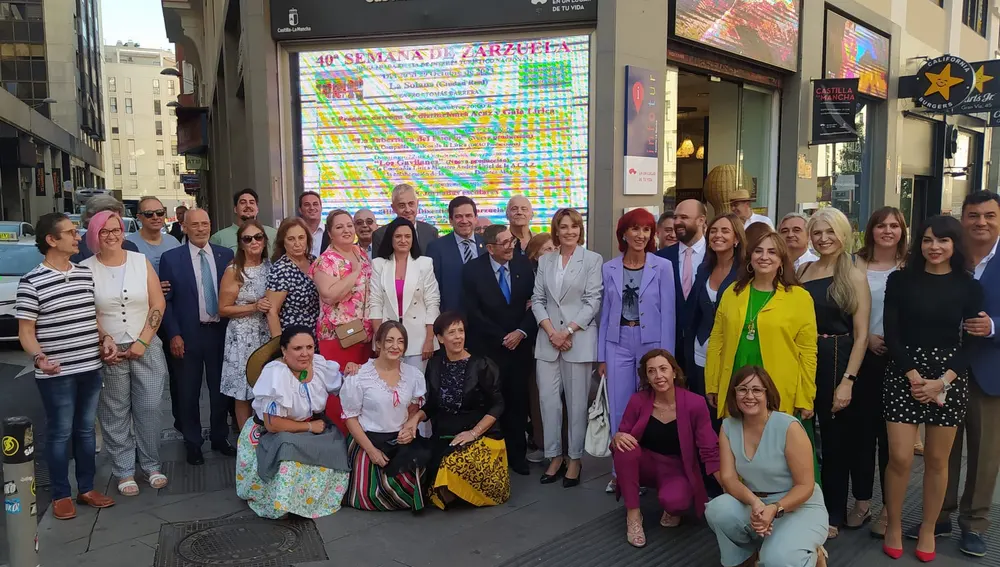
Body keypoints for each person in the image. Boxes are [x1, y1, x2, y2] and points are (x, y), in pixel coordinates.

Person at [881, 215, 982, 561]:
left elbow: (971, 343)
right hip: (903, 373)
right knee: (900, 457)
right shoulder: (900, 280)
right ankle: (893, 523)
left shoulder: (968, 286)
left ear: (954, 245)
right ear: (918, 244)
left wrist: (941, 381)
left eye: (942, 241)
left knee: (939, 460)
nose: (934, 247)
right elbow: (892, 334)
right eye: (927, 240)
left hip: (948, 377)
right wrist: (913, 377)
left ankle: (928, 528)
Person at [16, 213, 117, 520]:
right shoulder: (31, 282)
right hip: (56, 372)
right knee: (60, 433)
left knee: (86, 431)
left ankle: (86, 488)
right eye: (71, 233)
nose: (78, 237)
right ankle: (61, 493)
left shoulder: (85, 274)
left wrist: (106, 338)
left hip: (89, 366)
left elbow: (92, 317)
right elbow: (26, 332)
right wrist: (39, 358)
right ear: (51, 240)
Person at [82, 211, 169, 497]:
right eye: (104, 231)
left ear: (123, 231)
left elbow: (157, 303)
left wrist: (143, 341)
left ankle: (151, 464)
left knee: (149, 408)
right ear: (94, 235)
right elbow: (86, 312)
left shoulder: (139, 262)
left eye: (115, 230)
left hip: (145, 345)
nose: (111, 236)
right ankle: (124, 470)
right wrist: (104, 339)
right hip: (108, 350)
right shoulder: (85, 269)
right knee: (114, 411)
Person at [706, 366, 829, 567]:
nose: (749, 396)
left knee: (778, 560)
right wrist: (755, 503)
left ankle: (810, 554)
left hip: (797, 506)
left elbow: (805, 486)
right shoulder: (728, 426)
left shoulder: (788, 427)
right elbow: (728, 478)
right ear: (734, 393)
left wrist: (775, 508)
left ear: (767, 393)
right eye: (742, 389)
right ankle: (751, 558)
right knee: (718, 510)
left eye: (756, 390)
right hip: (757, 503)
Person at [797, 207, 871, 539]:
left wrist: (848, 381)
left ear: (843, 234)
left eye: (830, 232)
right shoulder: (803, 270)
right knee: (800, 436)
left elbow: (862, 334)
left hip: (837, 358)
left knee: (835, 440)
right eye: (817, 232)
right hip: (803, 358)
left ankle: (833, 512)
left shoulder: (853, 274)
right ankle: (800, 504)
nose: (824, 238)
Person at [937, 191, 1000, 557]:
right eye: (974, 215)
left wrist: (994, 327)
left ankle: (975, 525)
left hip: (989, 371)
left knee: (985, 455)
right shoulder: (949, 255)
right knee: (942, 451)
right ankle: (938, 514)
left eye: (989, 216)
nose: (981, 222)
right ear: (963, 219)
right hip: (945, 369)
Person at [236, 325, 353, 519]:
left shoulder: (319, 365)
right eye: (298, 349)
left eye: (309, 347)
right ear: (284, 350)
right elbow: (272, 424)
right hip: (275, 431)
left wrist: (352, 372)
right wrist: (308, 427)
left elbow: (344, 387)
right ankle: (283, 501)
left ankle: (317, 498)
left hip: (313, 426)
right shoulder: (275, 374)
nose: (305, 354)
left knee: (336, 444)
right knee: (287, 448)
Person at [599, 209, 676, 492]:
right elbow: (605, 312)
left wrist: (666, 358)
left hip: (651, 344)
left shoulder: (662, 267)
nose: (641, 235)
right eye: (635, 229)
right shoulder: (609, 268)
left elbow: (669, 312)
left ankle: (648, 469)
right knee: (619, 407)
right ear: (624, 233)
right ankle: (620, 471)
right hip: (617, 342)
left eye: (646, 230)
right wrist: (601, 355)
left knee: (650, 406)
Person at [705, 231, 817, 421]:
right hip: (735, 378)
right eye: (758, 251)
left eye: (772, 252)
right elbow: (717, 341)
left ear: (782, 260)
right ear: (750, 257)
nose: (764, 257)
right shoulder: (732, 292)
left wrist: (806, 397)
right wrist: (713, 385)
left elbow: (807, 352)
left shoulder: (799, 297)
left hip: (778, 383)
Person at [613, 349, 720, 547]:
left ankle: (671, 504)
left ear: (674, 372)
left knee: (676, 503)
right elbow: (623, 434)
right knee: (624, 448)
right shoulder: (638, 400)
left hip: (675, 467)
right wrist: (617, 437)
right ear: (646, 377)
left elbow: (709, 448)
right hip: (645, 463)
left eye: (663, 369)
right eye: (651, 371)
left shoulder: (695, 403)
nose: (658, 376)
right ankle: (634, 516)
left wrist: (730, 488)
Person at [159, 208, 236, 466]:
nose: (201, 229)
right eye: (195, 225)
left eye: (205, 223)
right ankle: (192, 442)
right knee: (187, 391)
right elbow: (165, 301)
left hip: (219, 332)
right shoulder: (171, 258)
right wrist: (174, 334)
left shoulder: (226, 255)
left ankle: (219, 437)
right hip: (188, 334)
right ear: (184, 227)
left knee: (220, 390)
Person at [533, 208, 603, 487]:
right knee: (548, 403)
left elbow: (593, 300)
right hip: (548, 341)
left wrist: (569, 330)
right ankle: (554, 456)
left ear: (580, 229)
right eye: (564, 227)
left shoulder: (592, 260)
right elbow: (537, 299)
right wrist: (552, 332)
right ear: (556, 230)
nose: (569, 232)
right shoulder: (545, 261)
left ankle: (574, 459)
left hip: (578, 339)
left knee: (576, 405)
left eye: (574, 226)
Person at [851, 206, 907, 537]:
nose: (887, 231)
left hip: (899, 362)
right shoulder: (855, 263)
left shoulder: (912, 265)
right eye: (881, 225)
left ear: (902, 231)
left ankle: (890, 508)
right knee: (862, 435)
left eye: (894, 226)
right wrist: (866, 337)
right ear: (871, 230)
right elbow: (845, 305)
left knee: (892, 440)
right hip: (863, 356)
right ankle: (861, 501)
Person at [463, 224, 536, 476]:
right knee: (490, 403)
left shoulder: (524, 266)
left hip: (519, 347)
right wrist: (502, 337)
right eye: (504, 243)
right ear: (490, 247)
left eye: (512, 242)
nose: (510, 247)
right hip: (489, 348)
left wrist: (521, 332)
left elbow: (535, 303)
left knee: (517, 403)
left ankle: (518, 456)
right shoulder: (473, 271)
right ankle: (492, 456)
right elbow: (473, 312)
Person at [421, 312, 510, 509]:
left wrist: (473, 433)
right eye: (451, 332)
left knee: (450, 468)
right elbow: (431, 405)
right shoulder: (435, 365)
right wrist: (414, 419)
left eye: (460, 331)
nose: (458, 336)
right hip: (445, 433)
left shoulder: (482, 365)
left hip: (479, 433)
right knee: (423, 472)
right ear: (440, 339)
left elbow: (498, 404)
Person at [341, 322, 431, 512]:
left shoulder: (413, 375)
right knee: (372, 496)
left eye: (400, 341)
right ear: (378, 343)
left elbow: (414, 407)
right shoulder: (359, 376)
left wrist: (409, 427)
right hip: (369, 440)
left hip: (399, 440)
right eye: (389, 340)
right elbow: (350, 418)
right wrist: (372, 451)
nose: (395, 346)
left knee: (417, 482)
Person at [218, 221, 272, 429]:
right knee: (242, 391)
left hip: (265, 334)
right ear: (241, 244)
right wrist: (254, 307)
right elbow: (223, 309)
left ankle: (266, 436)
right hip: (241, 336)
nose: (254, 242)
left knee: (265, 387)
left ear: (265, 240)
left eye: (258, 237)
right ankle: (245, 442)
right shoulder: (234, 271)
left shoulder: (271, 266)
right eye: (248, 238)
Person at [687, 213, 746, 397]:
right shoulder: (704, 269)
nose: (717, 235)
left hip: (731, 353)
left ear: (736, 238)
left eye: (725, 231)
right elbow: (693, 314)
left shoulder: (746, 271)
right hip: (700, 351)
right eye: (713, 231)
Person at [370, 217, 440, 370]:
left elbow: (432, 302)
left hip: (418, 338)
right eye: (398, 236)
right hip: (388, 336)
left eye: (407, 236)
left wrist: (430, 338)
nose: (403, 240)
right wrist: (379, 338)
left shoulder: (425, 263)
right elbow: (375, 303)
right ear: (391, 239)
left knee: (414, 389)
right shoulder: (379, 264)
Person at [312, 210, 372, 366]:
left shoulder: (361, 253)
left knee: (362, 385)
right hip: (339, 336)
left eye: (349, 225)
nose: (346, 230)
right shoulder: (325, 260)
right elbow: (329, 295)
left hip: (365, 333)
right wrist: (355, 273)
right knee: (340, 384)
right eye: (339, 227)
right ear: (330, 233)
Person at [655, 199, 706, 365]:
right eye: (676, 217)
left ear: (701, 220)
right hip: (671, 350)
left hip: (705, 349)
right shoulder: (661, 258)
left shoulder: (717, 257)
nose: (678, 222)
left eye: (684, 217)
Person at [426, 196, 485, 314]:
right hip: (451, 320)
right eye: (458, 216)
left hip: (485, 319)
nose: (464, 221)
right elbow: (432, 289)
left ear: (475, 218)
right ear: (451, 220)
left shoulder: (487, 245)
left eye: (468, 216)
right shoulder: (437, 248)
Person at [265, 217, 320, 337]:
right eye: (291, 239)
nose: (297, 244)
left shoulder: (313, 261)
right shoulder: (280, 269)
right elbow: (272, 312)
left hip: (316, 334)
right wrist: (279, 346)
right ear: (283, 242)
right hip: (293, 338)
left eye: (301, 237)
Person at [370, 183, 439, 254]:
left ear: (417, 203)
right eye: (402, 205)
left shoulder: (431, 232)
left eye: (411, 204)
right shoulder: (380, 235)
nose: (407, 210)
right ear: (393, 208)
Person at [71, 195, 139, 262]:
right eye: (105, 217)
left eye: (115, 217)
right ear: (90, 219)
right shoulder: (75, 249)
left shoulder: (130, 248)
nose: (111, 221)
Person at [210, 188, 278, 253]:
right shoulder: (219, 238)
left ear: (257, 209)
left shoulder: (273, 234)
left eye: (252, 202)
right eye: (243, 202)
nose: (248, 205)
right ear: (235, 209)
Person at [126, 196, 180, 275]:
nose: (155, 217)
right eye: (149, 214)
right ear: (139, 217)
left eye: (160, 213)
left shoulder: (173, 242)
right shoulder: (128, 244)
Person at [298, 191, 325, 257]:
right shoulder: (294, 233)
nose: (312, 208)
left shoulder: (331, 232)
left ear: (321, 208)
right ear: (300, 210)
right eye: (307, 205)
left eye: (315, 204)